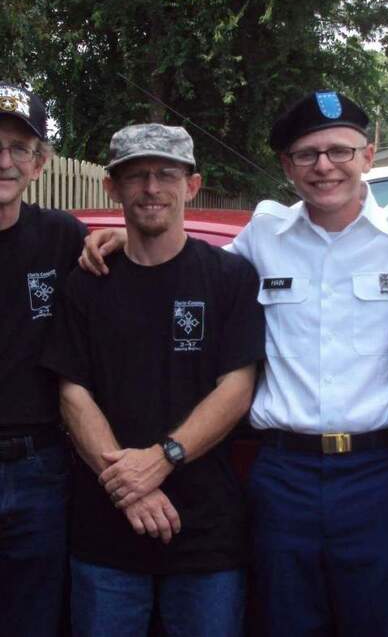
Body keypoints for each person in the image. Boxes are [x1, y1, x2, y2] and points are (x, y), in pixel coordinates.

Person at [82, 91, 388, 635]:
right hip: (282, 476)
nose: (324, 166)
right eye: (307, 154)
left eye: (340, 151)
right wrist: (120, 235)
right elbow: (179, 265)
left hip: (379, 474)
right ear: (287, 166)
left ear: (368, 156)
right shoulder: (263, 236)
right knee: (283, 621)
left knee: (383, 621)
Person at [42, 123, 265, 637]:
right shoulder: (87, 282)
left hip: (207, 536)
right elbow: (72, 392)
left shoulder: (230, 277)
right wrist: (131, 489)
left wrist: (161, 460)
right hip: (105, 535)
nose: (151, 188)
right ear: (112, 188)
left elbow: (237, 387)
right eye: (135, 175)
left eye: (167, 174)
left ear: (192, 185)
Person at [0, 82, 87, 636]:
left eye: (18, 148)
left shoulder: (63, 237)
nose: (3, 162)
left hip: (38, 467)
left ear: (39, 164)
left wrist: (116, 243)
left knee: (33, 619)